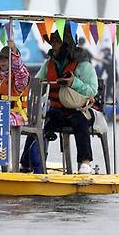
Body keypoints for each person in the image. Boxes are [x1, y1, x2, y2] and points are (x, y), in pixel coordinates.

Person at [37, 31, 98, 174]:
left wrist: (74, 83)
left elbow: (92, 90)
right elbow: (37, 82)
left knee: (80, 122)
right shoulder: (48, 64)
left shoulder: (83, 64)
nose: (53, 44)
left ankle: (85, 162)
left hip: (80, 110)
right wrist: (39, 84)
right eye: (52, 41)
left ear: (67, 44)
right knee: (40, 123)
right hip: (57, 111)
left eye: (57, 41)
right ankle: (27, 164)